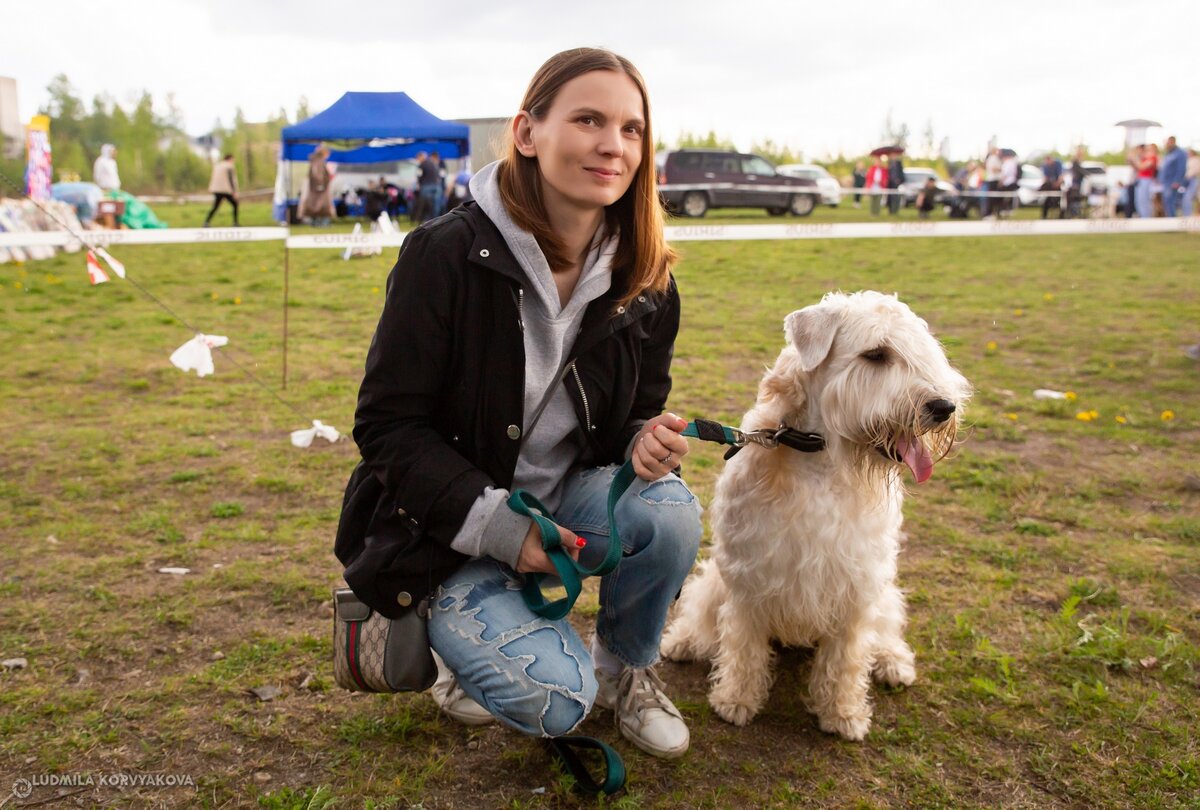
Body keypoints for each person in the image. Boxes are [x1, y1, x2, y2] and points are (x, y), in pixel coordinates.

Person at [337, 47, 702, 760]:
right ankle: (460, 639)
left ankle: (626, 669)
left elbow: (633, 412)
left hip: (566, 506)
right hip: (448, 527)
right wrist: (503, 532)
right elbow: (387, 426)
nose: (612, 144)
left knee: (669, 513)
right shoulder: (442, 255)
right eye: (589, 119)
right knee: (556, 702)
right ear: (528, 133)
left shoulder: (649, 280)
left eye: (631, 129)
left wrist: (640, 441)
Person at [299, 144, 335, 226]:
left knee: (315, 205)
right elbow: (318, 173)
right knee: (321, 206)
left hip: (315, 187)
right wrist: (320, 184)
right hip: (318, 188)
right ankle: (322, 223)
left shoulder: (316, 159)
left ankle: (316, 222)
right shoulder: (319, 160)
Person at [203, 154, 239, 227]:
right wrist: (234, 191)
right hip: (225, 190)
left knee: (215, 206)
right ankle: (235, 222)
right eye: (233, 160)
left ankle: (206, 222)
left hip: (216, 189)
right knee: (235, 204)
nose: (233, 161)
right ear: (230, 159)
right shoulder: (229, 166)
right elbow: (231, 179)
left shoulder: (218, 165)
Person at [1158, 136, 1187, 217]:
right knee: (1166, 201)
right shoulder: (1168, 153)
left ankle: (1172, 220)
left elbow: (1181, 168)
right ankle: (1170, 220)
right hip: (1166, 182)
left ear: (1173, 142)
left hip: (1172, 182)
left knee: (1170, 201)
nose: (1167, 144)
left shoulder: (1180, 153)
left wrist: (1177, 181)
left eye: (1169, 142)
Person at [415, 150, 441, 222]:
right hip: (437, 187)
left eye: (418, 158)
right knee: (435, 206)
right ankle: (436, 221)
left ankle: (424, 221)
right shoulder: (434, 163)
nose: (418, 160)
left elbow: (419, 176)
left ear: (421, 157)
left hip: (426, 186)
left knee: (424, 206)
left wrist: (419, 184)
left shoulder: (422, 165)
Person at [1135, 144, 1158, 218]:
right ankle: (1142, 216)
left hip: (1146, 180)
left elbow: (1141, 167)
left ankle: (1146, 218)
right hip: (1142, 179)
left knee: (1145, 200)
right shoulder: (1146, 157)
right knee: (1140, 200)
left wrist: (1135, 160)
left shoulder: (1153, 157)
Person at [1039, 153, 1063, 219]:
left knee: (1060, 201)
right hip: (1050, 186)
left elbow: (1061, 176)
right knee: (1047, 201)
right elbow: (1045, 178)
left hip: (1058, 186)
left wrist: (1057, 183)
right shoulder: (1045, 166)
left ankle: (1061, 216)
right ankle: (1044, 216)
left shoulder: (1058, 164)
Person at [982, 147, 1002, 218]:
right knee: (992, 198)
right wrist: (1001, 169)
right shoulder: (993, 158)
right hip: (993, 180)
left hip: (991, 180)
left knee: (992, 197)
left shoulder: (990, 158)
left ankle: (989, 213)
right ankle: (989, 214)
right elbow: (994, 169)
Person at [1183, 146, 1200, 216]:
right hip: (1189, 180)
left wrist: (1187, 176)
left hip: (1193, 180)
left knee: (1188, 197)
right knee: (1187, 198)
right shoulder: (1188, 160)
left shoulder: (1196, 160)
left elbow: (1194, 171)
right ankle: (1187, 214)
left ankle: (1188, 215)